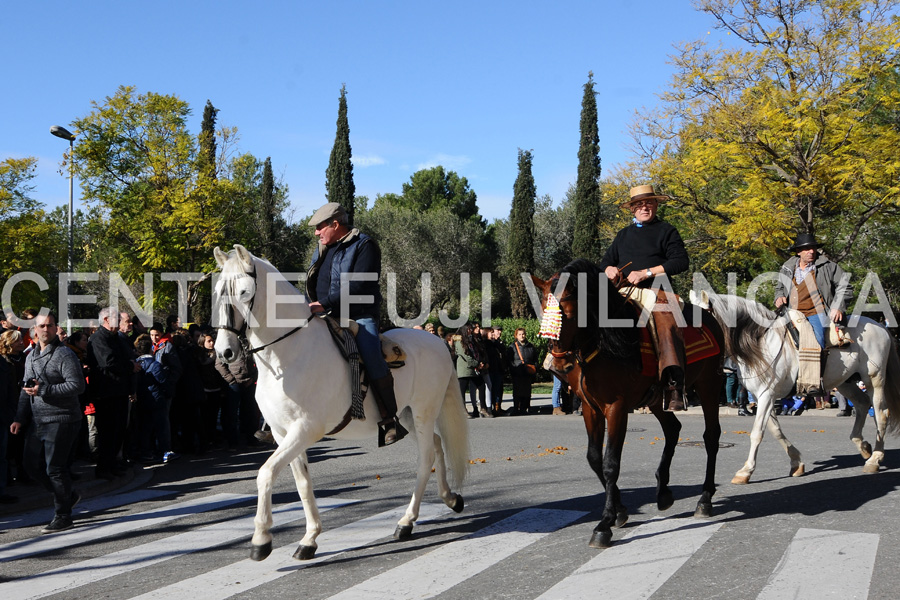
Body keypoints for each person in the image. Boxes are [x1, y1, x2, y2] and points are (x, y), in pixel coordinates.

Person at [306, 201, 406, 446]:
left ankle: (389, 420)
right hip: (324, 312)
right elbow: (312, 278)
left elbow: (360, 285)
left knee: (371, 354)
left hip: (359, 314)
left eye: (320, 227)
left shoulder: (365, 245)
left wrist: (325, 302)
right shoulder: (322, 248)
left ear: (335, 224)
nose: (317, 233)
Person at [599, 184, 690, 411]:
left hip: (656, 289)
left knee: (666, 322)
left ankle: (673, 385)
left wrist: (647, 272)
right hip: (623, 290)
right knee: (594, 315)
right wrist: (609, 268)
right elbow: (605, 262)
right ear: (632, 209)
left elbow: (681, 262)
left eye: (648, 202)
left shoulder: (667, 230)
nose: (644, 207)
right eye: (638, 204)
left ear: (656, 205)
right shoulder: (623, 235)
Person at [9, 312, 86, 533]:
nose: (45, 329)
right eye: (41, 326)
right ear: (34, 330)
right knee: (31, 465)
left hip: (63, 418)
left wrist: (44, 390)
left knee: (55, 468)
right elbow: (26, 390)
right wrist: (19, 418)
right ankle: (68, 496)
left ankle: (63, 515)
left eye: (49, 326)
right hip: (38, 419)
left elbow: (77, 386)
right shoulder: (31, 356)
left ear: (55, 328)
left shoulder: (64, 355)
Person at [774, 232, 853, 396]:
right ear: (798, 251)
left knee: (816, 343)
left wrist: (838, 306)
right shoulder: (788, 267)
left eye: (813, 248)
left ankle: (815, 382)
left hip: (816, 312)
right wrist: (779, 297)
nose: (811, 251)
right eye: (807, 248)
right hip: (790, 312)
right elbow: (779, 287)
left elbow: (845, 286)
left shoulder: (828, 266)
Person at [87, 307, 139, 480]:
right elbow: (108, 362)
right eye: (116, 318)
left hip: (120, 391)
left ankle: (113, 463)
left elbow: (127, 356)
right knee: (107, 432)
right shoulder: (98, 339)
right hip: (106, 393)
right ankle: (103, 468)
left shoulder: (117, 338)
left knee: (118, 431)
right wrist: (130, 366)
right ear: (106, 320)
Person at [0, 329, 27, 504]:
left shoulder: (3, 364)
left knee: (2, 456)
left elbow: (10, 390)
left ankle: (1, 490)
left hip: (2, 415)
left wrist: (12, 412)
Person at [454, 323, 487, 418]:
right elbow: (465, 355)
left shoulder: (470, 340)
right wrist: (476, 363)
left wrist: (479, 363)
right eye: (468, 329)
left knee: (481, 385)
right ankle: (462, 410)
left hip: (473, 368)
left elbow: (475, 352)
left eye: (470, 329)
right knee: (462, 390)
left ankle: (483, 408)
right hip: (464, 369)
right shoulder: (459, 340)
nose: (470, 331)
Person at [507, 328, 538, 415]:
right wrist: (513, 369)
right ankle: (516, 408)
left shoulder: (531, 346)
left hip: (528, 372)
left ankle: (525, 408)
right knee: (517, 391)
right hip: (517, 372)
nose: (522, 336)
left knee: (527, 391)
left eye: (523, 334)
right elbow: (509, 360)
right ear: (516, 336)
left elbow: (535, 359)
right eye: (520, 334)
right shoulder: (512, 347)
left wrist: (534, 367)